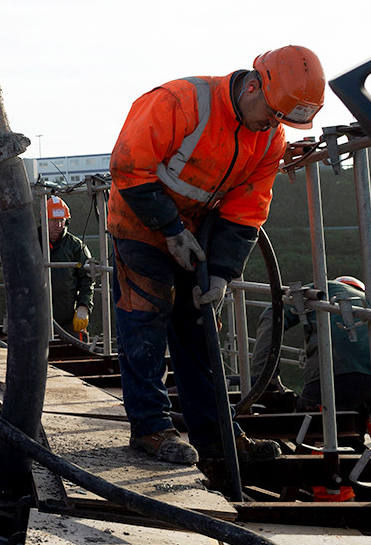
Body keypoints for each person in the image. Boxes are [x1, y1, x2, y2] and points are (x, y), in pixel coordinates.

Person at [108, 45, 325, 469]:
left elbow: (247, 210)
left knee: (200, 326)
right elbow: (129, 167)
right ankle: (151, 428)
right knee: (146, 317)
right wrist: (170, 230)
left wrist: (221, 274)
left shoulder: (269, 137)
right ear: (252, 86)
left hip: (197, 233)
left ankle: (216, 435)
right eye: (272, 114)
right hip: (139, 223)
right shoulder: (180, 101)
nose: (272, 126)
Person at [252, 276, 371, 454]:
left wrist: (264, 375)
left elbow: (272, 316)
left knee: (317, 426)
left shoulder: (318, 291)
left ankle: (326, 479)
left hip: (343, 365)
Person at [46, 195, 94, 339]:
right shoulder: (33, 241)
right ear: (45, 220)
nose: (59, 225)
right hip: (37, 318)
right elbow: (14, 250)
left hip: (67, 319)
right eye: (54, 220)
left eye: (61, 220)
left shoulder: (75, 246)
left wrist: (84, 307)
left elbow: (88, 279)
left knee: (79, 351)